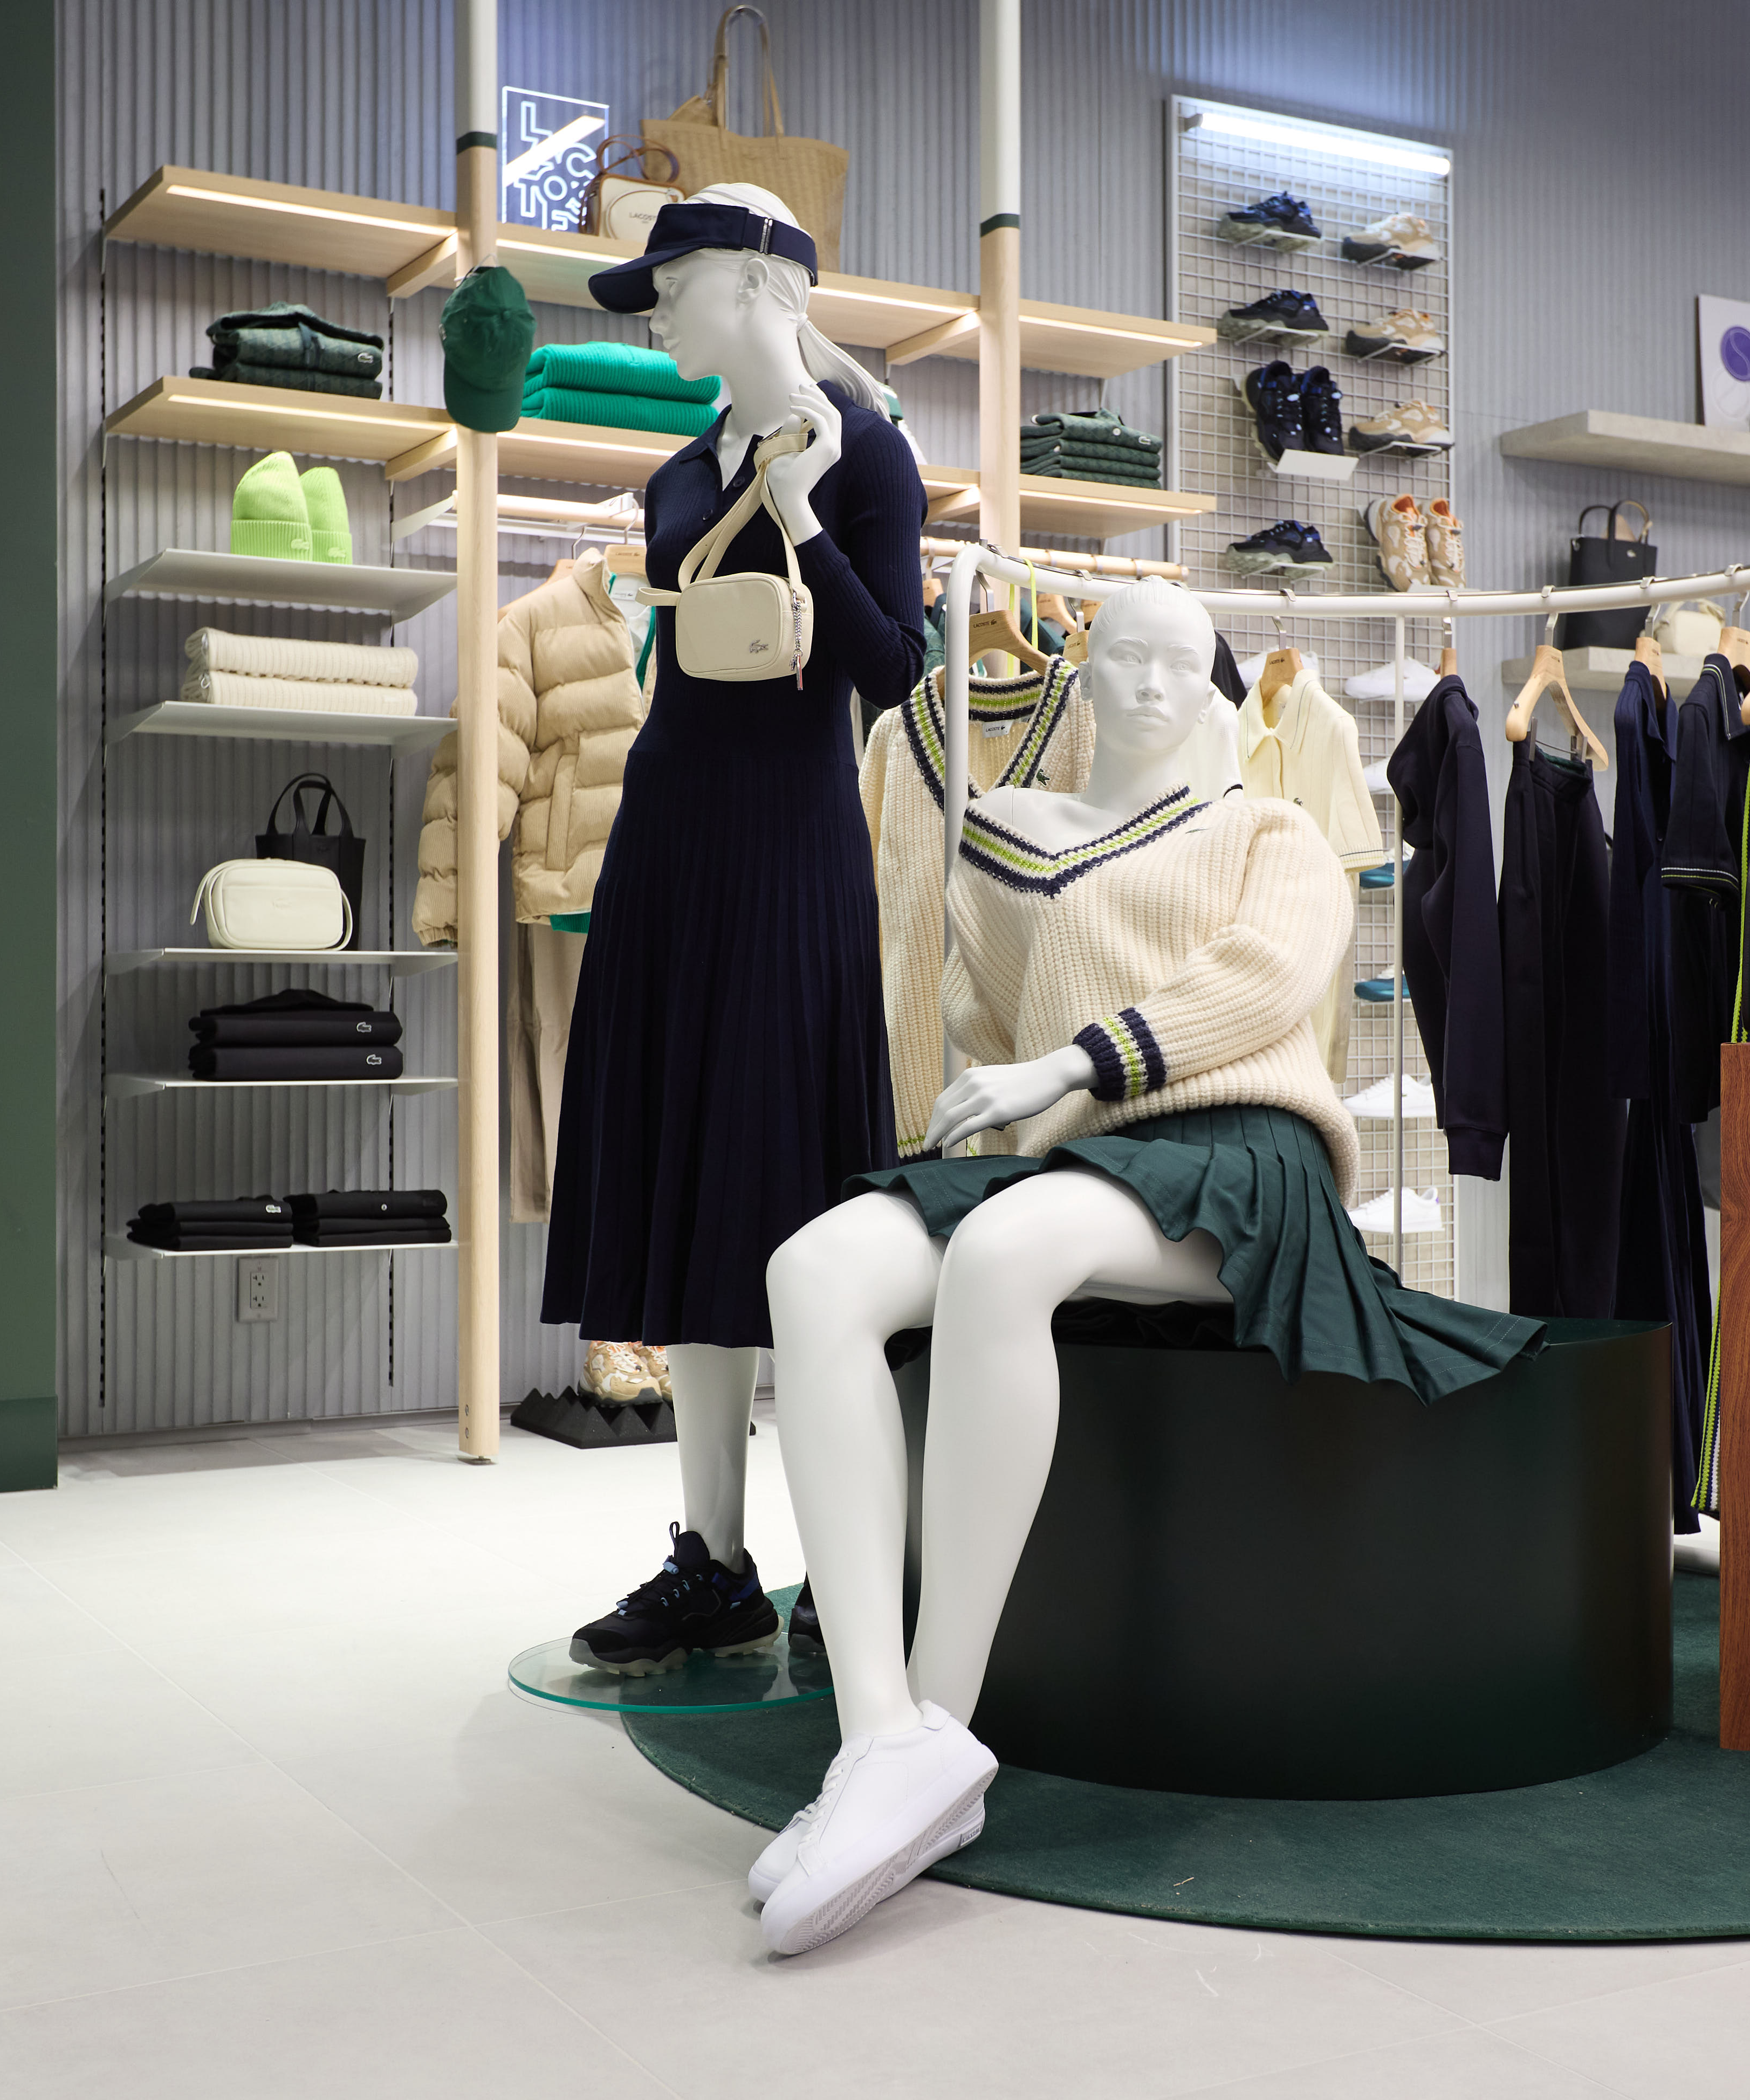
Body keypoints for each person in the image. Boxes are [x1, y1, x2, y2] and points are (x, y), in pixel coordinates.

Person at [748, 579, 1546, 1956]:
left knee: (1004, 1249)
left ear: (1214, 686)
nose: (1152, 685)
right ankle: (878, 1736)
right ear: (1083, 670)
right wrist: (1019, 1065)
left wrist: (1065, 1064)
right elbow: (980, 1020)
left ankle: (940, 1717)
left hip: (1236, 1148)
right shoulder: (1001, 831)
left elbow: (1263, 981)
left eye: (1182, 663)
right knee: (811, 1268)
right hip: (1076, 1153)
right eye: (1125, 657)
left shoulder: (1268, 829)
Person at [543, 188, 925, 1675]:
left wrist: (807, 506)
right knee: (694, 1188)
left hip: (787, 855)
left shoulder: (867, 451)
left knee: (790, 1201)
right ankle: (710, 1557)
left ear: (764, 284)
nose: (657, 314)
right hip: (669, 849)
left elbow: (892, 670)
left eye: (675, 285)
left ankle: (849, 1559)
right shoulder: (674, 471)